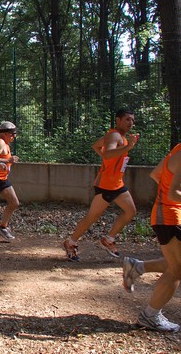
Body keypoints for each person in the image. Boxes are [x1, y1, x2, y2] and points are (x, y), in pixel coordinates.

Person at [122, 109, 181, 333]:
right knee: (178, 270)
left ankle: (137, 267)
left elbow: (158, 174)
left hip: (175, 214)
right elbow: (175, 193)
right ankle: (149, 316)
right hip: (171, 217)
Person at [62, 108, 139, 262]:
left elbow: (96, 147)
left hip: (117, 184)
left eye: (132, 119)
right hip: (107, 185)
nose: (131, 123)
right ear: (118, 120)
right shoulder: (114, 135)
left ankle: (108, 239)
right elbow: (108, 153)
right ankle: (70, 243)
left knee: (130, 211)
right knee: (92, 217)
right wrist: (127, 148)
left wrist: (108, 163)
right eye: (127, 119)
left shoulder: (119, 136)